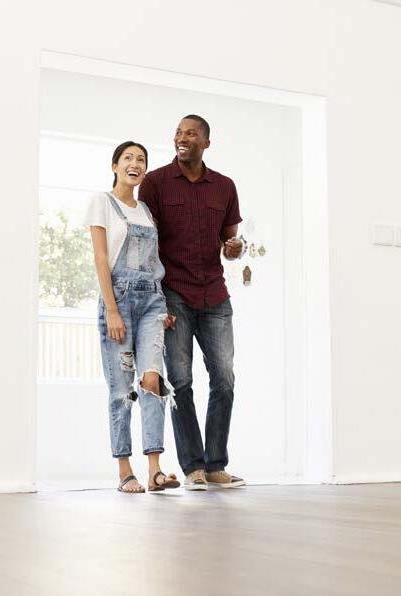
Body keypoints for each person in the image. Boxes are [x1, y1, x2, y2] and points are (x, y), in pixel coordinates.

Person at [139, 115, 245, 491]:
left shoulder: (225, 187)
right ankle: (193, 467)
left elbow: (230, 244)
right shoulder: (155, 183)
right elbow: (145, 242)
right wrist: (156, 302)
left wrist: (235, 248)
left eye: (191, 134)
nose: (182, 138)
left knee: (224, 379)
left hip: (214, 294)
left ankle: (215, 465)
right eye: (179, 133)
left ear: (206, 143)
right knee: (181, 380)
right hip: (174, 294)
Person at [86, 141, 180, 494]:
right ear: (115, 165)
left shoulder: (146, 211)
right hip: (119, 301)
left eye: (141, 159)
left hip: (152, 303)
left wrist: (162, 308)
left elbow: (154, 263)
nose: (135, 164)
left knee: (153, 380)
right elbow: (100, 259)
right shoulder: (102, 202)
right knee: (122, 389)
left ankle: (155, 469)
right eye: (128, 158)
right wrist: (112, 309)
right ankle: (125, 471)